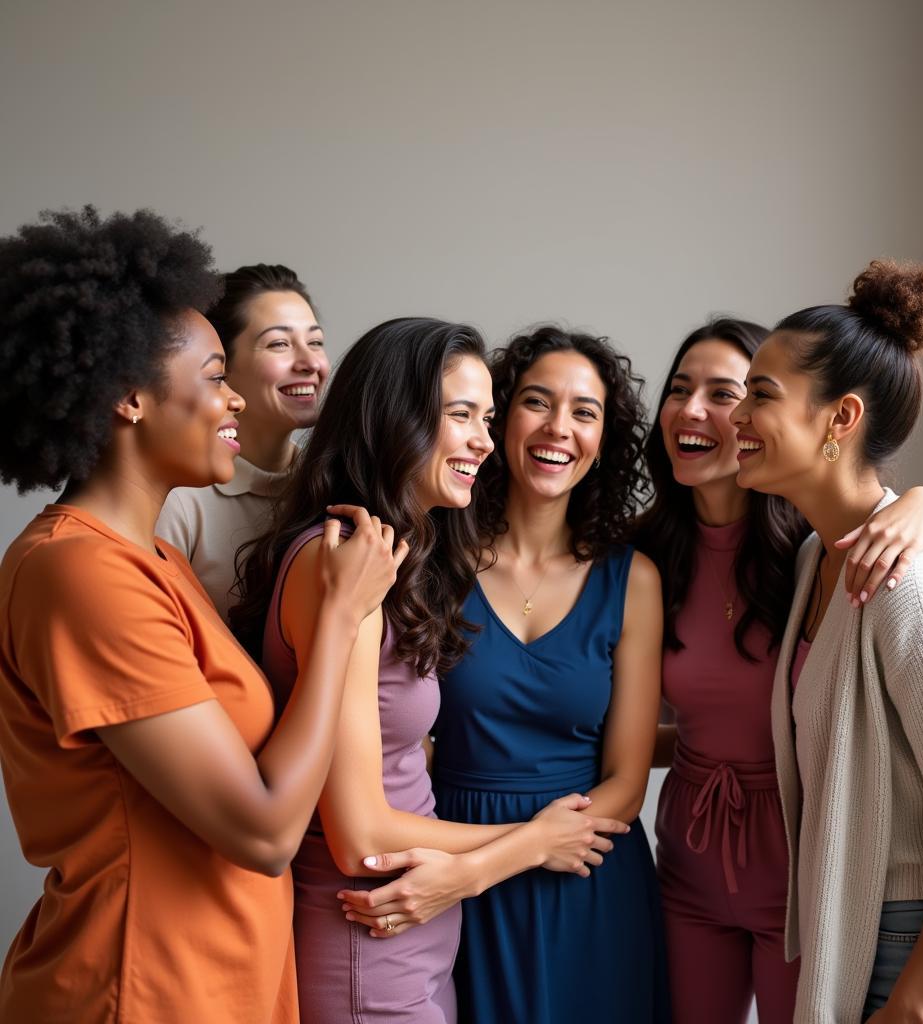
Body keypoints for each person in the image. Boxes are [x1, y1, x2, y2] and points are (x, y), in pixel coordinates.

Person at [0, 207, 405, 1023]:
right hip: (143, 985)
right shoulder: (80, 574)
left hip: (227, 978)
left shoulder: (158, 563)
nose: (232, 399)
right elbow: (261, 832)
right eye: (216, 375)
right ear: (130, 397)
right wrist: (338, 620)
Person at [233, 317, 627, 1024]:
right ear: (397, 419)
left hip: (409, 947)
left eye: (486, 417)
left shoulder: (393, 557)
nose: (483, 440)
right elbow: (362, 834)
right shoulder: (341, 562)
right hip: (367, 939)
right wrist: (532, 842)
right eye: (460, 416)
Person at [634, 318, 923, 1024]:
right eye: (680, 389)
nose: (705, 411)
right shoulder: (646, 559)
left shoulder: (816, 548)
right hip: (691, 852)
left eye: (738, 394)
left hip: (806, 858)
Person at [730, 260, 923, 1022]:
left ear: (841, 418)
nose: (736, 415)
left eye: (760, 395)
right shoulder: (813, 560)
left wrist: (911, 1007)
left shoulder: (912, 593)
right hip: (865, 940)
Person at [348, 326, 670, 1023]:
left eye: (585, 411)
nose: (560, 427)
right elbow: (403, 745)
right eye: (536, 402)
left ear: (604, 439)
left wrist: (478, 870)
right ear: (501, 417)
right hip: (451, 859)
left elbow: (625, 782)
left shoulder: (633, 580)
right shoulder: (429, 561)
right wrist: (474, 870)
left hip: (586, 872)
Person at [157, 263, 329, 618]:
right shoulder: (179, 499)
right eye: (279, 344)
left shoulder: (328, 485)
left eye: (315, 342)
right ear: (223, 367)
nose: (310, 362)